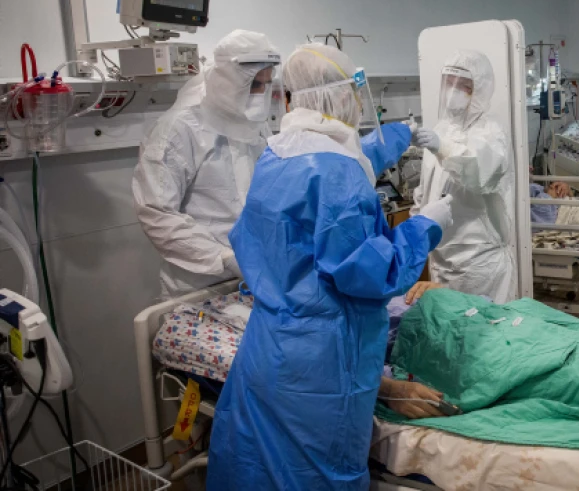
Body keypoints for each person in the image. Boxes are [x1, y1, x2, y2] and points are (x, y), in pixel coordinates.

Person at [206, 43, 453, 491]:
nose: (359, 104)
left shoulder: (278, 154)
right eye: (355, 92)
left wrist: (400, 135)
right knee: (317, 474)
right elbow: (372, 273)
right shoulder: (336, 173)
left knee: (257, 465)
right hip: (323, 361)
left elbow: (350, 158)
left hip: (271, 347)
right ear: (341, 96)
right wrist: (425, 227)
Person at [133, 29, 281, 298]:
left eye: (266, 84)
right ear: (228, 79)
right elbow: (157, 214)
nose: (260, 94)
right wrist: (224, 258)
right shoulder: (178, 129)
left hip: (255, 278)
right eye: (254, 84)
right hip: (197, 285)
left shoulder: (255, 123)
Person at [412, 50, 516, 303]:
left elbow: (480, 172)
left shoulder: (491, 132)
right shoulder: (440, 130)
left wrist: (443, 148)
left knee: (483, 336)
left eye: (464, 86)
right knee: (450, 337)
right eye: (449, 82)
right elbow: (426, 189)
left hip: (479, 263)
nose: (453, 90)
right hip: (441, 259)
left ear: (480, 90)